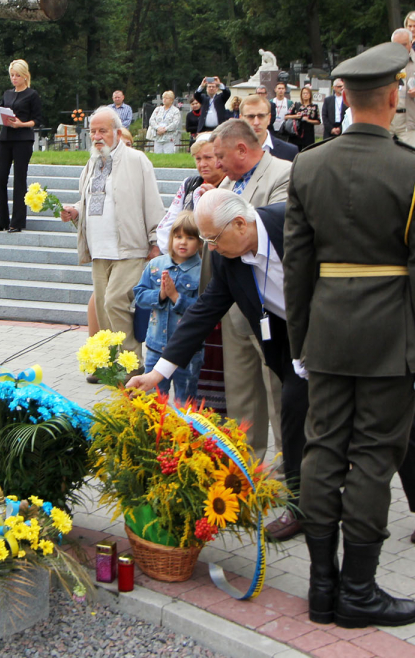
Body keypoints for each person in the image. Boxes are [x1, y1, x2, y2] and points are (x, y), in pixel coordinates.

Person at [284, 42, 415, 629]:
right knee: (375, 457)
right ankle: (358, 591)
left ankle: (321, 589)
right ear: (395, 96)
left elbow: (297, 265)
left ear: (345, 99)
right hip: (389, 336)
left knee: (323, 452)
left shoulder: (309, 164)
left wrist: (300, 342)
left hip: (325, 331)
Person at [125, 192, 311, 530]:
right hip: (291, 343)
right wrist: (156, 374)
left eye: (212, 238)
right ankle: (302, 509)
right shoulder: (229, 257)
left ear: (240, 224)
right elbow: (203, 312)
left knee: (394, 413)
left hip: (339, 331)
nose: (209, 247)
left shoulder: (294, 222)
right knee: (294, 415)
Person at [212, 118, 292, 468]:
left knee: (278, 390)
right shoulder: (229, 181)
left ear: (242, 149)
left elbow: (274, 230)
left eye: (221, 156)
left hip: (272, 306)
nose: (216, 165)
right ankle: (246, 460)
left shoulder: (283, 174)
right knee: (241, 388)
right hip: (236, 306)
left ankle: (288, 459)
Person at [61, 107, 164, 358]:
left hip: (129, 248)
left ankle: (132, 362)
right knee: (103, 309)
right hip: (98, 249)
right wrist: (75, 211)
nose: (97, 136)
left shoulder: (136, 160)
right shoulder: (92, 162)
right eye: (93, 131)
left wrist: (155, 241)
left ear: (117, 133)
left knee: (115, 301)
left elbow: (152, 202)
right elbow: (90, 201)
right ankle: (110, 362)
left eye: (102, 131)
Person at [132, 211, 205, 404]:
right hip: (156, 346)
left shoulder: (203, 271)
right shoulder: (156, 265)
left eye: (190, 237)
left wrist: (176, 297)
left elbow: (204, 310)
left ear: (200, 242)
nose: (183, 242)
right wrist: (161, 295)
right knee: (153, 401)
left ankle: (184, 433)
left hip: (188, 350)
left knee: (186, 402)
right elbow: (139, 295)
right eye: (178, 236)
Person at [0, 60, 42, 233]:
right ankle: (2, 220)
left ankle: (17, 222)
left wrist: (21, 124)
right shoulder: (7, 94)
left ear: (25, 76)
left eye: (17, 75)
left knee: (19, 179)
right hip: (6, 138)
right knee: (0, 178)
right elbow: (2, 114)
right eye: (12, 75)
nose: (14, 79)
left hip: (22, 139)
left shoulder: (32, 95)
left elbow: (37, 120)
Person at [155, 132, 226, 253]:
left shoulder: (233, 185)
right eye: (198, 159)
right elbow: (168, 224)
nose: (202, 164)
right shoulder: (189, 184)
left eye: (208, 158)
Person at [239, 94, 299, 161]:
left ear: (269, 118)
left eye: (261, 116)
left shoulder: (289, 151)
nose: (256, 122)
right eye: (250, 116)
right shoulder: (229, 151)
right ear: (241, 119)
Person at [284, 86, 320, 150]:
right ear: (301, 95)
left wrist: (308, 120)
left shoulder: (314, 107)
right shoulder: (296, 105)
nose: (305, 95)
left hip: (308, 134)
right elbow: (286, 116)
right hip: (296, 133)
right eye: (304, 93)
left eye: (307, 93)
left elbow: (318, 121)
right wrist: (296, 116)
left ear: (310, 95)